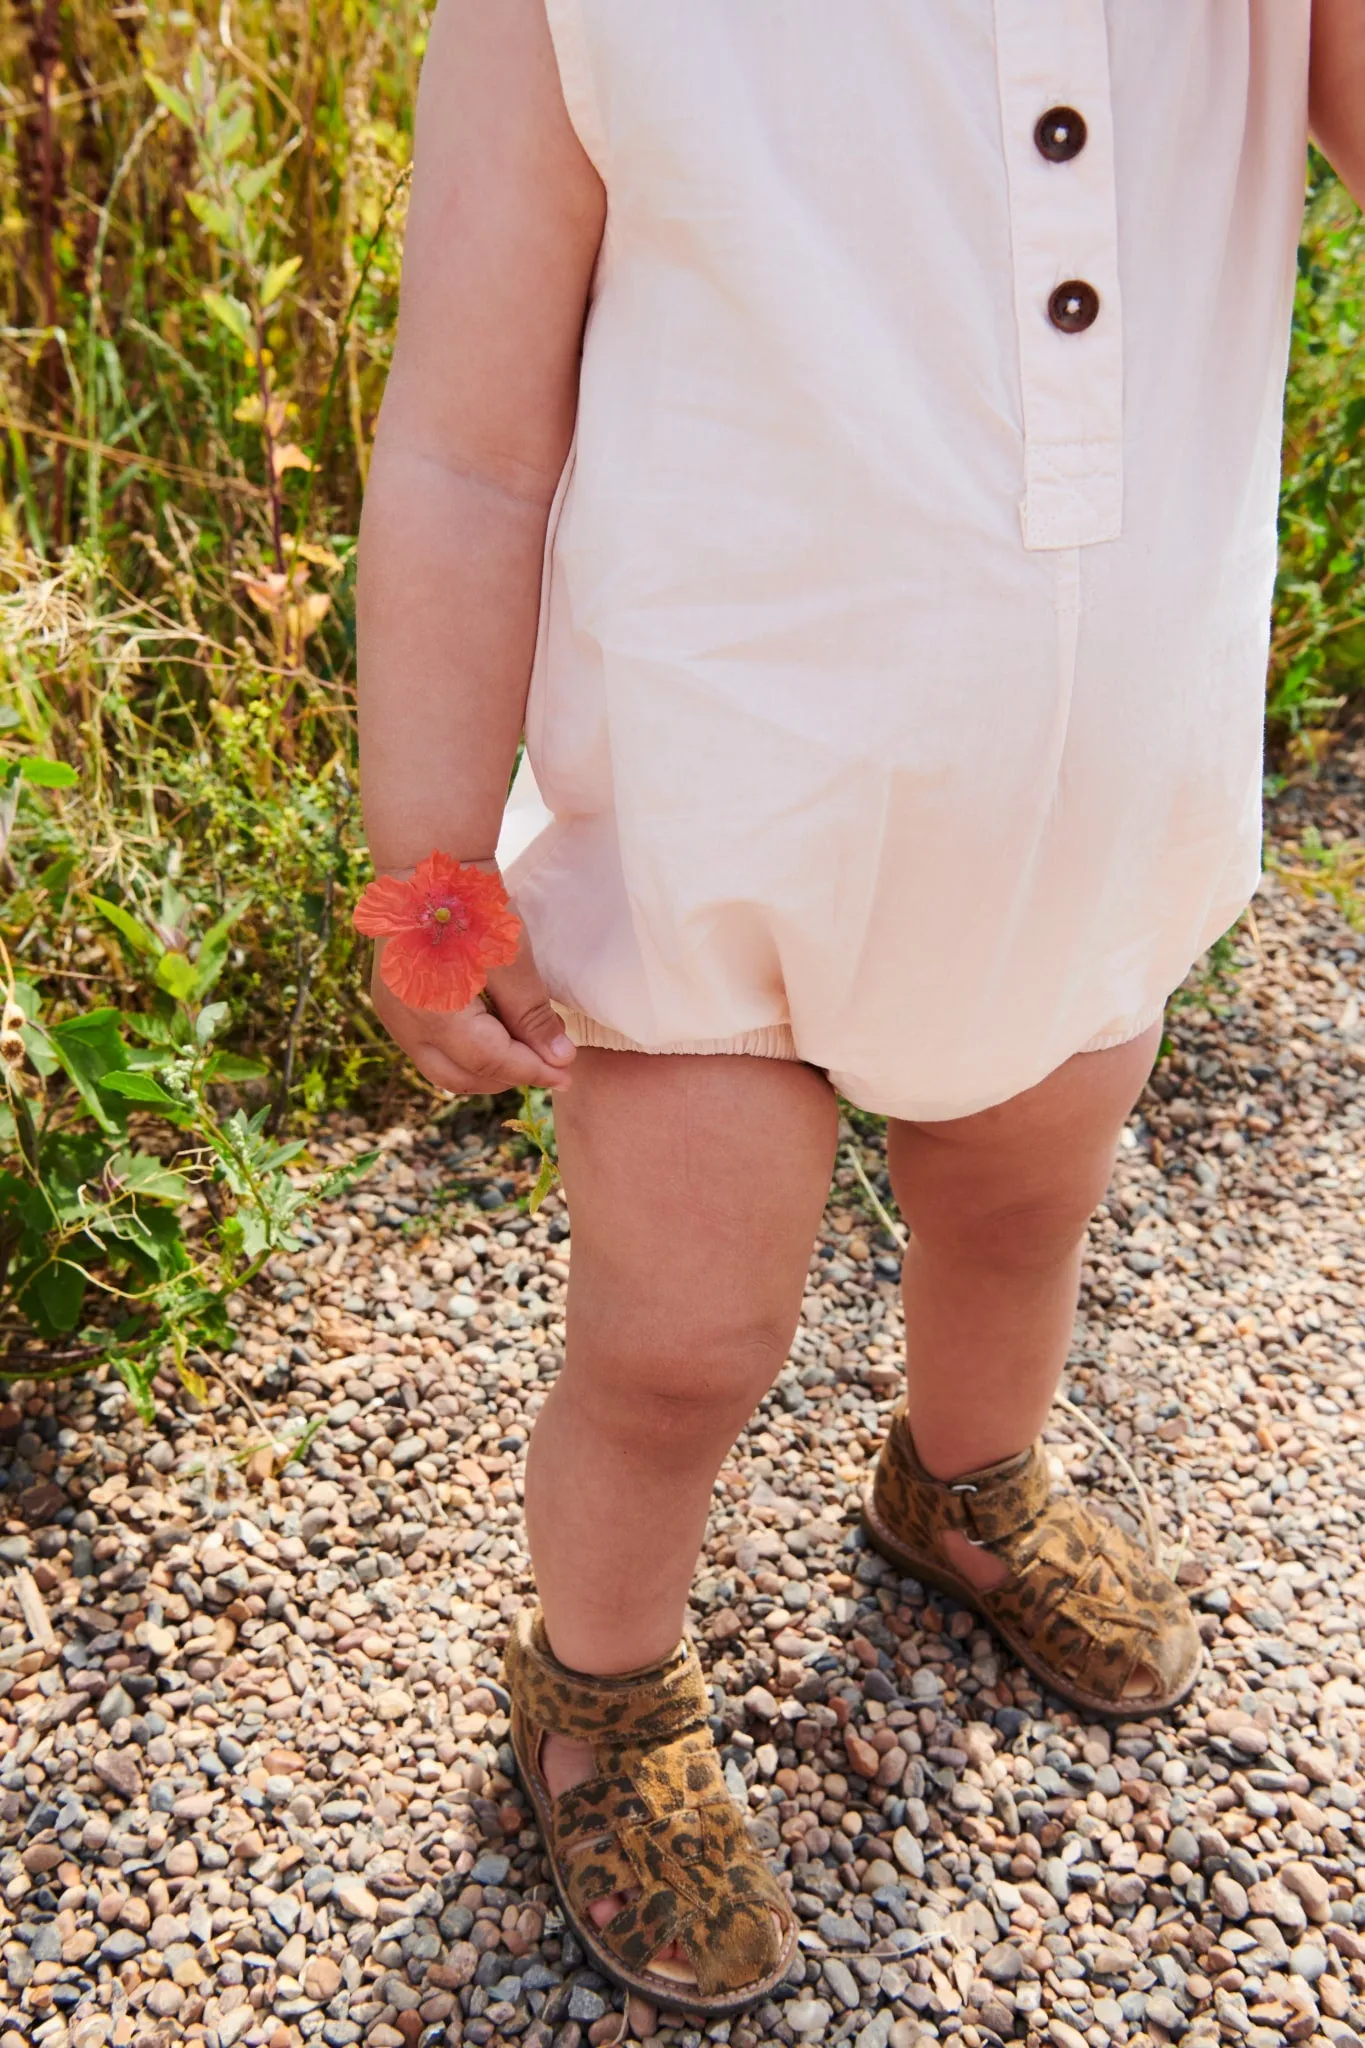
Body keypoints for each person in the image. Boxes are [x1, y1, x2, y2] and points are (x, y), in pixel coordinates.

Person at [356, 0, 1365, 2014]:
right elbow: (468, 449)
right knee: (680, 1338)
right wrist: (433, 866)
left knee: (1019, 1204)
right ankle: (603, 1685)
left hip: (1082, 811)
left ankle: (963, 1480)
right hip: (713, 836)